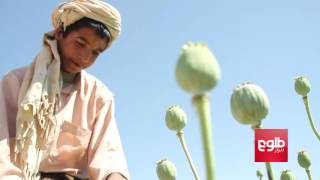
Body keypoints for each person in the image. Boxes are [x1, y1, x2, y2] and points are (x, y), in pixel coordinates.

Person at [0, 0, 129, 179]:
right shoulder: (14, 83)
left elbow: (110, 159)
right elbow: (2, 159)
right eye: (80, 43)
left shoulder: (99, 97)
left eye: (95, 53)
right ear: (60, 32)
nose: (85, 58)